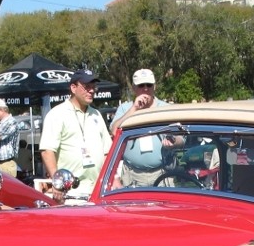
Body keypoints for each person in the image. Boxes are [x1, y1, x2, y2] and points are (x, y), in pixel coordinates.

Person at [39, 69, 112, 199]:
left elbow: (107, 151)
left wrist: (112, 179)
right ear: (73, 88)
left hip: (98, 191)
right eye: (86, 87)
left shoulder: (96, 115)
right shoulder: (57, 114)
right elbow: (47, 151)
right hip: (70, 194)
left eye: (93, 87)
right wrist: (58, 182)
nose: (91, 90)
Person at [109, 68, 176, 188]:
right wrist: (134, 109)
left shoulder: (167, 108)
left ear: (154, 87)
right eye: (141, 85)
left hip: (163, 174)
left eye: (149, 85)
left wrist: (174, 142)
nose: (145, 89)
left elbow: (181, 138)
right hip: (132, 176)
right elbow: (114, 131)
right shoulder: (125, 109)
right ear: (134, 88)